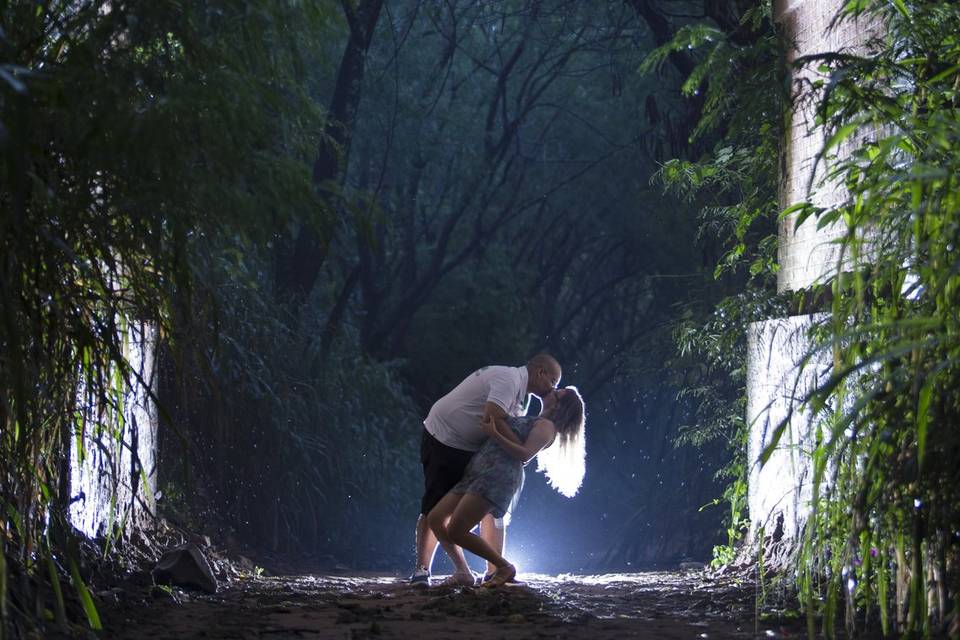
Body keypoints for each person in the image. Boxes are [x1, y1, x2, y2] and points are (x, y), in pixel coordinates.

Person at [410, 354, 562, 586]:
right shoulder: (509, 379)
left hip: (475, 451)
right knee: (434, 504)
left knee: (489, 509)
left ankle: (493, 571)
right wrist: (521, 450)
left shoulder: (524, 400)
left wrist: (519, 450)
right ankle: (424, 570)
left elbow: (505, 428)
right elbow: (492, 416)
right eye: (553, 381)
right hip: (444, 438)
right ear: (540, 372)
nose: (552, 388)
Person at [427, 386, 586, 586]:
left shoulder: (547, 427)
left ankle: (504, 566)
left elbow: (525, 455)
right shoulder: (534, 419)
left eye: (557, 393)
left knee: (457, 530)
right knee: (435, 518)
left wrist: (494, 433)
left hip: (496, 477)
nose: (552, 390)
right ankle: (463, 571)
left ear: (559, 407)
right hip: (478, 472)